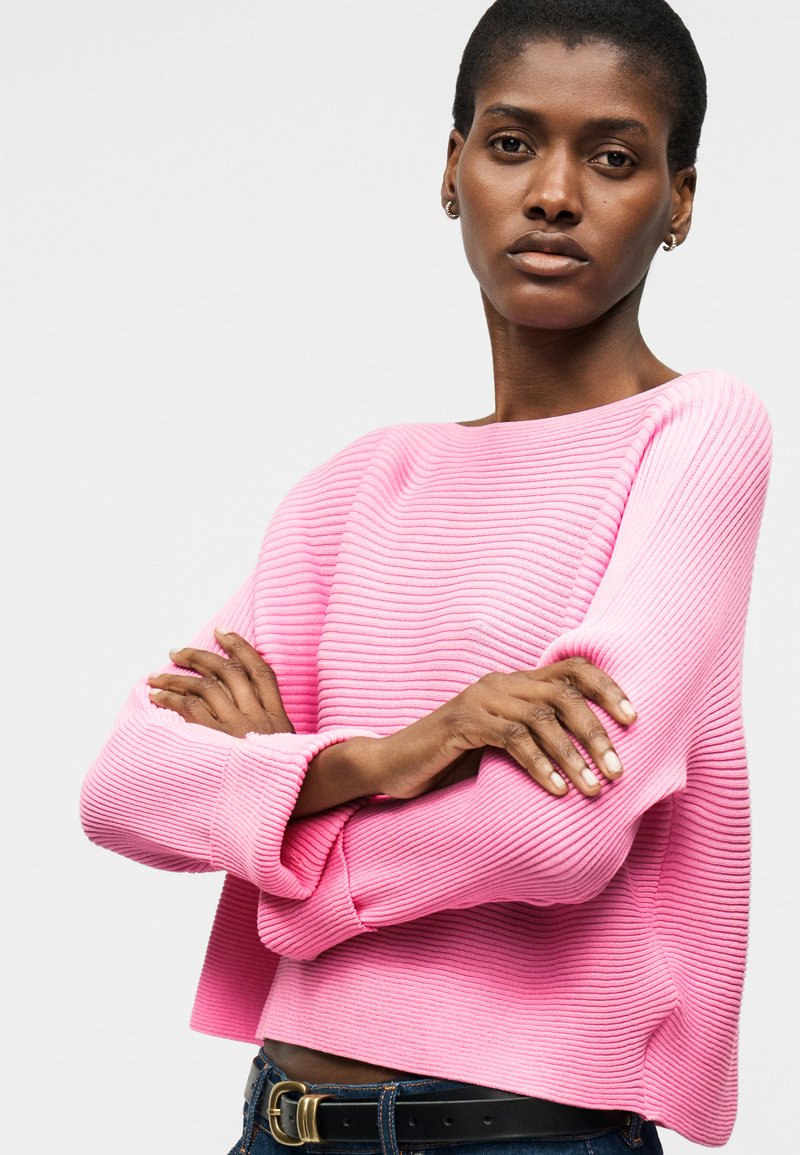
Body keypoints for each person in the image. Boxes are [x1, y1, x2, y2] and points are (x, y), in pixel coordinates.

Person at [79, 1, 773, 1152]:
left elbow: (552, 837)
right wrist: (401, 754)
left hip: (519, 1134)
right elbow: (124, 785)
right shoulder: (363, 481)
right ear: (453, 172)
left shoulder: (696, 432)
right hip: (279, 1122)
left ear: (679, 201)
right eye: (510, 143)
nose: (552, 193)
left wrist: (282, 823)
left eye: (611, 158)